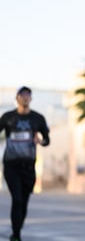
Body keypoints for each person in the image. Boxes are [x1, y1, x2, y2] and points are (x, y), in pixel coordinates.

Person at [0, 86, 50, 241]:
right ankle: (16, 236)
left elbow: (47, 139)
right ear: (17, 98)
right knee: (17, 199)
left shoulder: (38, 118)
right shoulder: (7, 117)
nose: (25, 97)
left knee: (24, 203)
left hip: (29, 167)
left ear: (31, 98)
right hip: (11, 165)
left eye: (28, 95)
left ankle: (16, 231)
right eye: (22, 95)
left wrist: (41, 141)